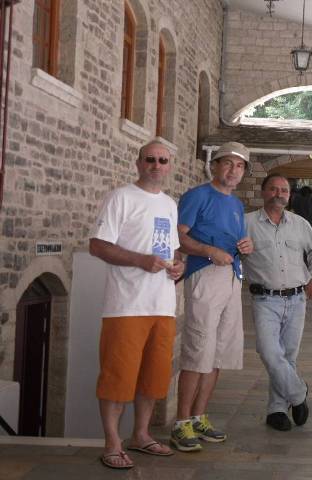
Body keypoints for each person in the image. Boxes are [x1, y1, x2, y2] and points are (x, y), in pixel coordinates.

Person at [90, 140, 185, 469]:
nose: (156, 165)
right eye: (150, 159)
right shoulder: (121, 197)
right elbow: (98, 246)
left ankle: (141, 435)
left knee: (153, 378)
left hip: (162, 305)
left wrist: (179, 265)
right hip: (126, 305)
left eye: (163, 160)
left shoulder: (170, 204)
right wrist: (140, 260)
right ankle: (112, 443)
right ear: (138, 163)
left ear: (169, 166)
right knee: (118, 378)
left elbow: (173, 249)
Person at [171, 141, 254, 452]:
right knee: (198, 349)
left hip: (232, 276)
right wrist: (207, 250)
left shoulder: (236, 205)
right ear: (215, 165)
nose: (233, 170)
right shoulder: (198, 195)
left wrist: (247, 246)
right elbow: (178, 235)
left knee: (218, 351)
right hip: (204, 275)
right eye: (228, 163)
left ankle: (198, 417)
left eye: (240, 166)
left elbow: (236, 240)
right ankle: (181, 423)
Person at [243, 173, 312, 431]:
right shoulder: (246, 223)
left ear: (289, 195)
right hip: (264, 299)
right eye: (273, 189)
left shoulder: (299, 224)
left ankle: (277, 410)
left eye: (284, 190)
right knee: (269, 352)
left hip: (297, 298)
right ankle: (298, 393)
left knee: (288, 356)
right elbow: (233, 252)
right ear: (263, 192)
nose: (278, 194)